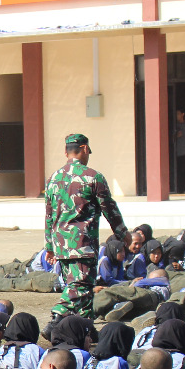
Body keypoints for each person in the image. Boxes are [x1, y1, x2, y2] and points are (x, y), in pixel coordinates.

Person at [43, 133, 129, 325]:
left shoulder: (53, 178)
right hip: (82, 244)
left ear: (66, 152)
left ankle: (84, 327)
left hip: (61, 245)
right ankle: (58, 315)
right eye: (88, 151)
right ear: (84, 149)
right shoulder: (93, 177)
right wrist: (123, 233)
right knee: (80, 286)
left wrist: (49, 246)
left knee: (83, 290)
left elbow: (49, 215)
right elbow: (109, 208)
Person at [172, 109, 185, 194]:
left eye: (178, 114)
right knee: (179, 171)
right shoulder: (175, 126)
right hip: (178, 153)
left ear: (182, 114)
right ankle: (179, 189)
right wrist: (176, 136)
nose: (176, 116)